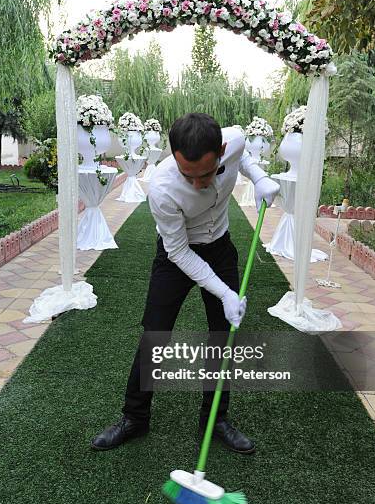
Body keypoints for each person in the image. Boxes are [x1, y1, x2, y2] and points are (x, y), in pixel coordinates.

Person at [91, 113, 280, 454]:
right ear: (174, 157)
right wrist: (224, 292)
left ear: (222, 151)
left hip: (220, 248)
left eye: (205, 174)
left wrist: (260, 177)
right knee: (155, 333)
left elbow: (246, 157)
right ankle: (134, 418)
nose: (197, 184)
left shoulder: (235, 139)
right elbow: (179, 252)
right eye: (187, 175)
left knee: (223, 337)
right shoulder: (162, 189)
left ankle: (216, 420)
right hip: (177, 255)